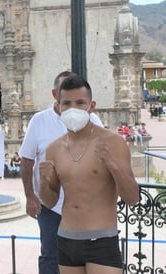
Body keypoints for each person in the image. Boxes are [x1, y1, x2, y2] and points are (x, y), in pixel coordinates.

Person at [39, 75, 139, 274]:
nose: (73, 108)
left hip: (101, 240)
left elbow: (132, 198)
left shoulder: (112, 142)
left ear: (91, 106)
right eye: (66, 103)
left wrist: (112, 164)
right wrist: (43, 182)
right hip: (66, 238)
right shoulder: (54, 149)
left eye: (80, 103)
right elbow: (50, 202)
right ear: (58, 107)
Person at [19, 71, 104, 274]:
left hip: (86, 206)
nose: (72, 104)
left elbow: (105, 159)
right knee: (51, 255)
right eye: (67, 96)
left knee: (84, 255)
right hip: (51, 208)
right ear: (55, 94)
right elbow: (26, 160)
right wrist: (30, 196)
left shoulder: (94, 121)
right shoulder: (39, 121)